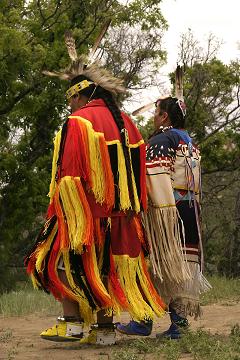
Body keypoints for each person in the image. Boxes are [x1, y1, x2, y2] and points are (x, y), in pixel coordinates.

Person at [24, 31, 166, 345]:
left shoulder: (78, 122)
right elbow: (139, 169)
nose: (69, 107)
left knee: (53, 260)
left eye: (70, 100)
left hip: (85, 213)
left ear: (79, 96)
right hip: (123, 216)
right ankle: (104, 331)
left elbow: (69, 176)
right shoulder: (126, 122)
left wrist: (65, 215)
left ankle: (71, 323)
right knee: (105, 270)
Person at [116, 96, 211, 339]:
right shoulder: (189, 142)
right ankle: (178, 325)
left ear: (164, 116)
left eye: (156, 112)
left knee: (154, 262)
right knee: (178, 266)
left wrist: (146, 213)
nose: (153, 116)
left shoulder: (162, 140)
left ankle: (142, 320)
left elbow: (154, 180)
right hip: (189, 211)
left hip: (167, 213)